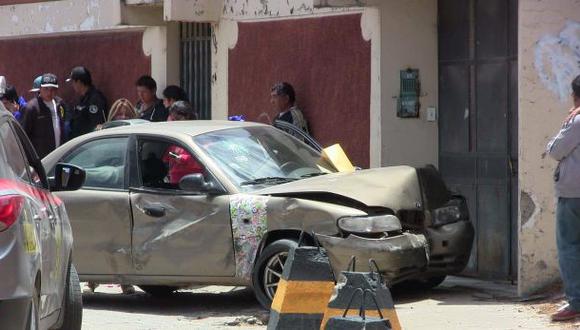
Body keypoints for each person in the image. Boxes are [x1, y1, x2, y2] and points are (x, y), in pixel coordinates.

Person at [547, 74, 580, 322]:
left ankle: (576, 301)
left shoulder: (576, 121)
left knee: (569, 247)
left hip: (573, 194)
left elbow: (556, 150)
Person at [21, 73, 68, 159]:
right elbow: (24, 136)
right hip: (41, 159)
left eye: (53, 89)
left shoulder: (60, 104)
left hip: (59, 156)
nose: (49, 92)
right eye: (46, 89)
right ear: (40, 89)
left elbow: (62, 127)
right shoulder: (31, 108)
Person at [162, 101, 203, 185]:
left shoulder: (196, 134)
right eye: (172, 119)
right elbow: (166, 157)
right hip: (175, 184)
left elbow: (201, 160)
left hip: (193, 184)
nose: (174, 122)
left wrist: (182, 158)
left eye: (177, 119)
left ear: (187, 116)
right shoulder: (173, 135)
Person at [67, 66, 107, 138]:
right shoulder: (84, 98)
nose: (72, 85)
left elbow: (97, 125)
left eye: (73, 82)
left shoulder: (95, 99)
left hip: (88, 143)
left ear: (79, 82)